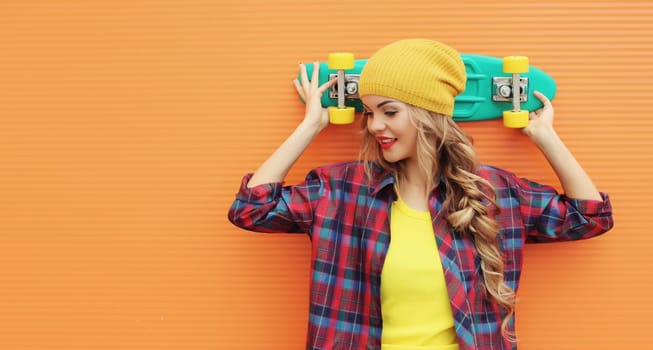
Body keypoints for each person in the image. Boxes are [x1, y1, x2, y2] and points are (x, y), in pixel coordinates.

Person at [228, 39, 613, 350]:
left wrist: (546, 137)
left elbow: (589, 217)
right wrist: (310, 126)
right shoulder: (342, 192)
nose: (375, 125)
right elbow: (251, 209)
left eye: (389, 112)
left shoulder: (493, 195)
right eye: (368, 112)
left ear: (429, 114)